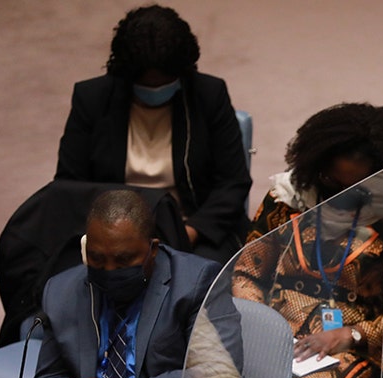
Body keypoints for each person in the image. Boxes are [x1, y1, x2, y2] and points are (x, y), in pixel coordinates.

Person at [231, 102, 383, 378]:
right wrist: (265, 328)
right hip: (274, 332)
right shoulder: (286, 199)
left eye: (356, 190)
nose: (341, 197)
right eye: (334, 184)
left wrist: (348, 335)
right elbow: (246, 273)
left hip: (344, 345)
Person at [55, 4, 251, 264]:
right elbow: (70, 185)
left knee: (205, 285)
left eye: (165, 83)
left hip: (192, 228)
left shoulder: (208, 95)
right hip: (112, 231)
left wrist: (188, 233)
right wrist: (115, 236)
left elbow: (232, 183)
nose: (156, 91)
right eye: (147, 85)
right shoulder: (91, 99)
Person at [33, 189, 243, 378]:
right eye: (97, 258)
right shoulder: (61, 290)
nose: (109, 269)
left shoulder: (196, 282)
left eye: (123, 260)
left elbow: (218, 375)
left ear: (152, 250)